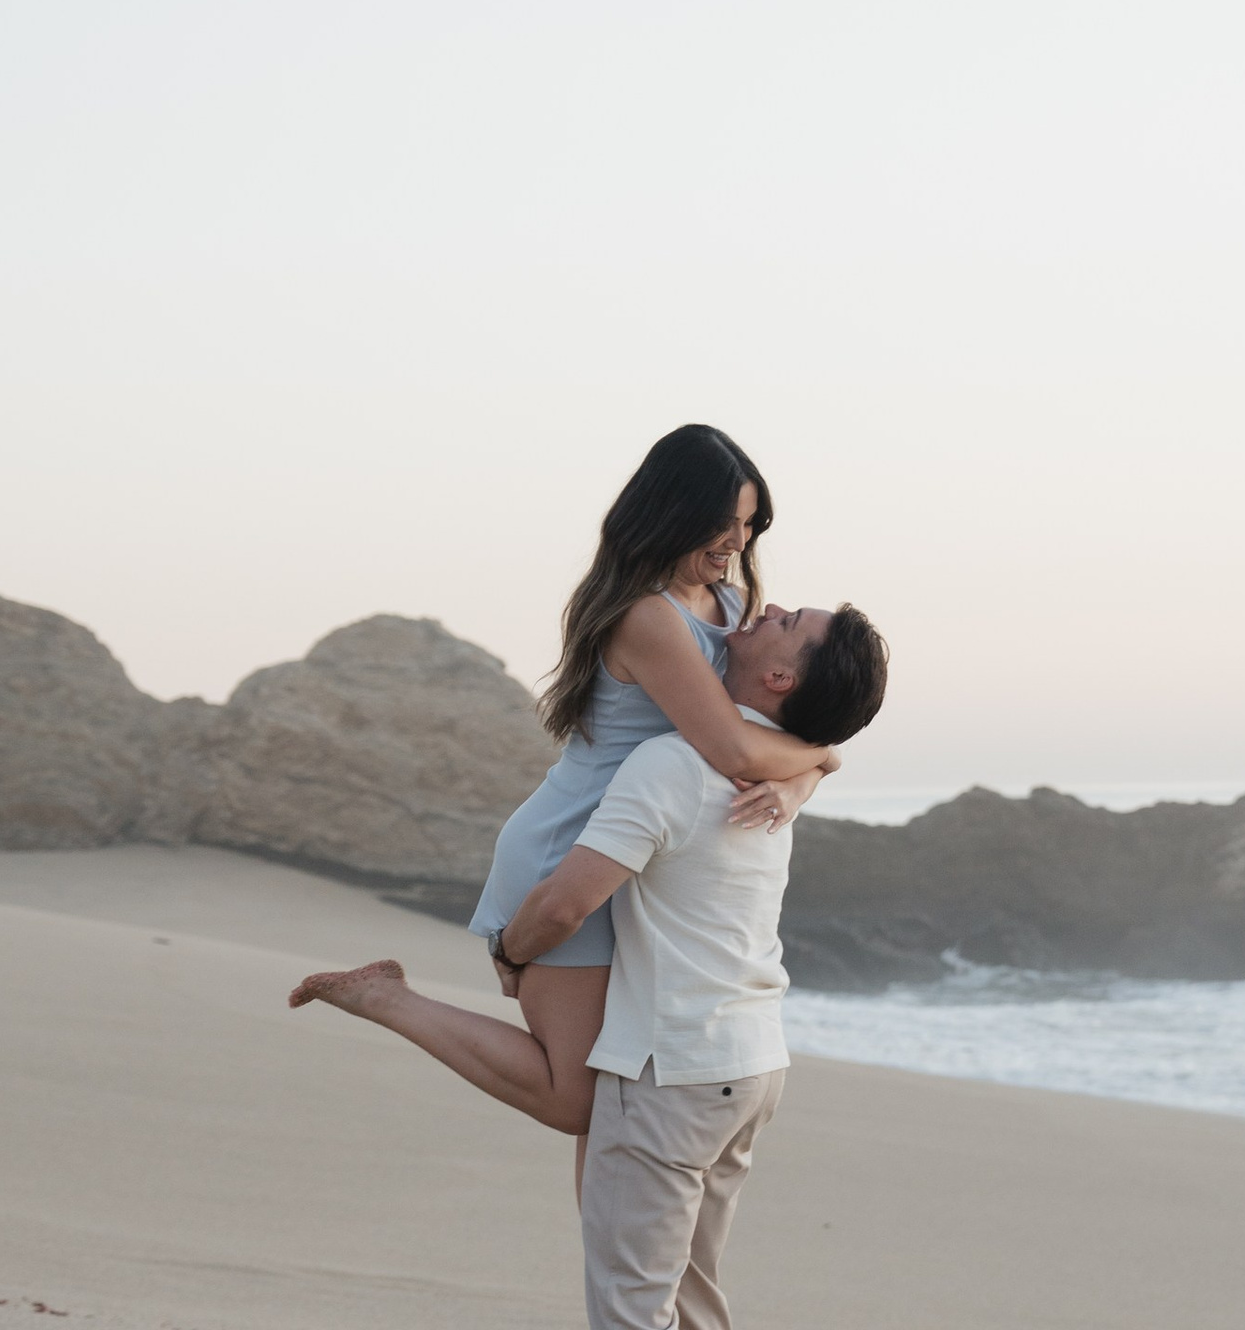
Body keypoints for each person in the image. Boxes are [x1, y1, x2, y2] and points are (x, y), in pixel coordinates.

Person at [288, 421, 837, 1145]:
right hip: (572, 850)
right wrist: (819, 763)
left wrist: (804, 779)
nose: (737, 540)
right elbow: (739, 747)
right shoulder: (647, 616)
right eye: (722, 521)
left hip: (640, 865)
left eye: (748, 523)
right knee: (575, 1099)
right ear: (670, 511)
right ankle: (384, 998)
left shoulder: (733, 610)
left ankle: (609, 1260)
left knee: (615, 1094)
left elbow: (793, 729)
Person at [493, 592, 889, 1330]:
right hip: (753, 1064)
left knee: (633, 1314)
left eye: (790, 622)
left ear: (781, 678)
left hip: (672, 1076)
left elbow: (572, 898)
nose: (771, 603)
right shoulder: (766, 780)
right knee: (694, 1292)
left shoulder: (672, 764)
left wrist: (512, 947)